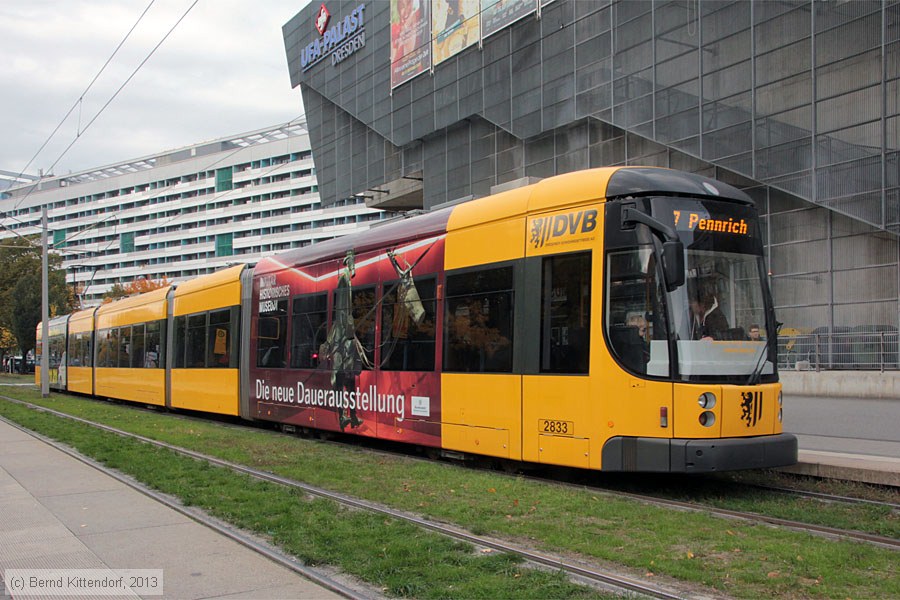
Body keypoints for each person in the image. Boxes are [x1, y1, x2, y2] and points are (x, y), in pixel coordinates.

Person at [321, 250, 364, 431]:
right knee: (340, 385)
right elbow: (341, 309)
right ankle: (342, 417)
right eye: (351, 263)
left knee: (351, 386)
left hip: (347, 333)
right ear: (347, 263)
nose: (354, 267)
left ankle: (352, 416)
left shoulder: (348, 282)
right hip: (341, 351)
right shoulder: (343, 280)